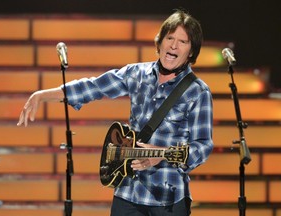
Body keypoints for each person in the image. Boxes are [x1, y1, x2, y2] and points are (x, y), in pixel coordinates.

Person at [17, 9, 213, 216]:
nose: (174, 45)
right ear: (160, 42)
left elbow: (203, 146)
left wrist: (162, 156)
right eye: (170, 38)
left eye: (183, 42)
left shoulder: (197, 91)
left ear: (191, 52)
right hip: (128, 192)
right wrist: (42, 95)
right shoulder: (137, 74)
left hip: (168, 198)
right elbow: (95, 87)